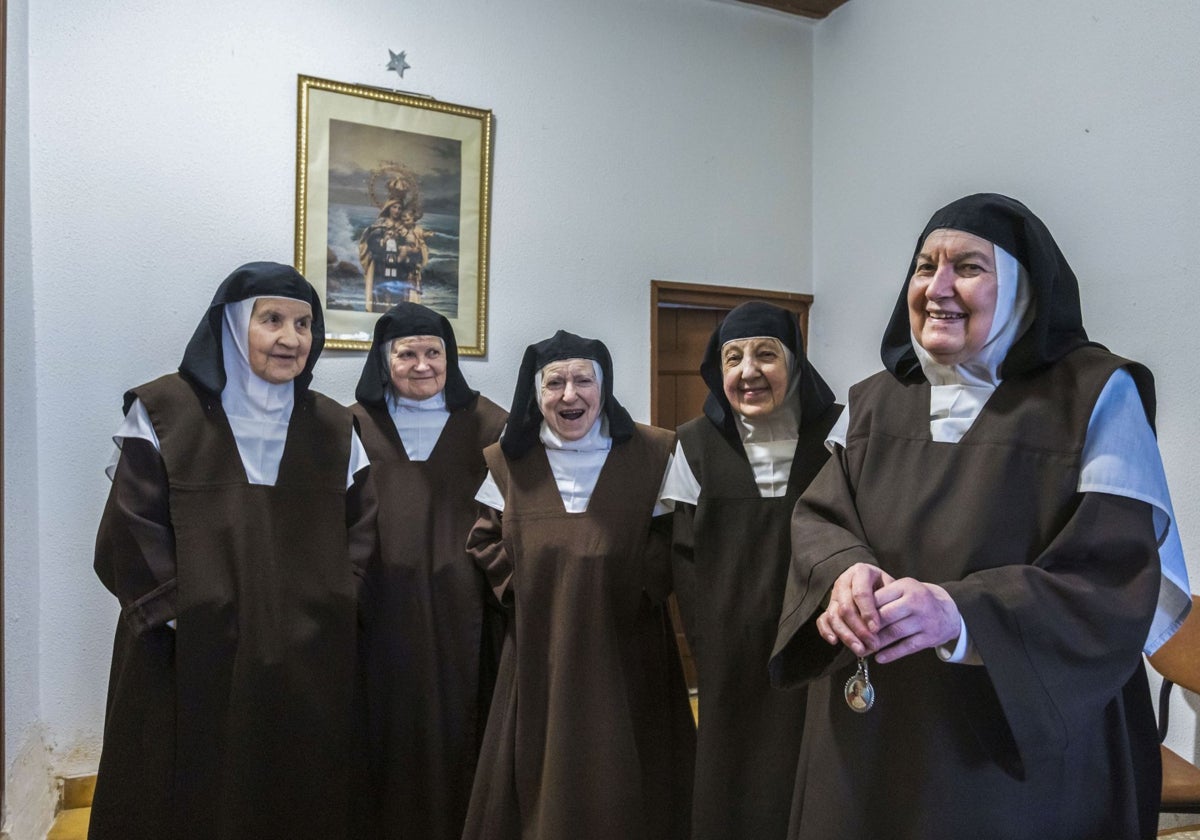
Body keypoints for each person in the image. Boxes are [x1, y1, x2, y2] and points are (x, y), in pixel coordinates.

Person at [768, 193, 1190, 840]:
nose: (937, 287)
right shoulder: (875, 401)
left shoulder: (1096, 396)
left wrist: (962, 614)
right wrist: (843, 574)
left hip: (1017, 748)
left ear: (1025, 289)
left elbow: (1110, 577)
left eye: (968, 267)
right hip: (874, 731)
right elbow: (823, 518)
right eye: (924, 265)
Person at [89, 262, 378, 840]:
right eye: (271, 319)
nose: (291, 339)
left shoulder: (333, 425)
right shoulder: (163, 411)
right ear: (229, 325)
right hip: (186, 649)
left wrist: (332, 599)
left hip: (305, 652)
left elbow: (363, 526)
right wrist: (186, 610)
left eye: (303, 323)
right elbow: (131, 525)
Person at [462, 330, 696, 840]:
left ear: (604, 387)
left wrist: (634, 591)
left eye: (583, 380)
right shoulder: (509, 461)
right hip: (540, 650)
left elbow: (673, 536)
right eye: (555, 383)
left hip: (629, 648)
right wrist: (531, 593)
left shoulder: (656, 450)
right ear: (535, 394)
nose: (570, 395)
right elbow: (484, 540)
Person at [660, 301, 841, 840]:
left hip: (821, 641)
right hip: (730, 650)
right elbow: (682, 555)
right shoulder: (691, 444)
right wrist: (710, 641)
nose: (748, 372)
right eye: (732, 357)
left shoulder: (838, 437)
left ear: (797, 362)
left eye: (766, 355)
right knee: (731, 773)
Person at [350, 302, 507, 840]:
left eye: (434, 352)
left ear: (451, 357)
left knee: (463, 726)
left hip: (467, 608)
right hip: (378, 607)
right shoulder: (352, 424)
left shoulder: (491, 424)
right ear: (382, 359)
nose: (422, 365)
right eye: (407, 353)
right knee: (382, 727)